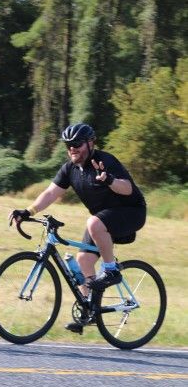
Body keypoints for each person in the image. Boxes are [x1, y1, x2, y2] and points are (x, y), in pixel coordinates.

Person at [9, 122, 146, 333]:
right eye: (68, 144)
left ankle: (111, 271)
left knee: (93, 223)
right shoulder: (70, 169)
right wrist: (28, 211)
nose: (72, 148)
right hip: (102, 220)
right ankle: (89, 310)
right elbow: (51, 193)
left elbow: (128, 188)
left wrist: (109, 179)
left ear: (91, 143)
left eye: (77, 143)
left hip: (131, 211)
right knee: (84, 259)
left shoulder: (105, 161)